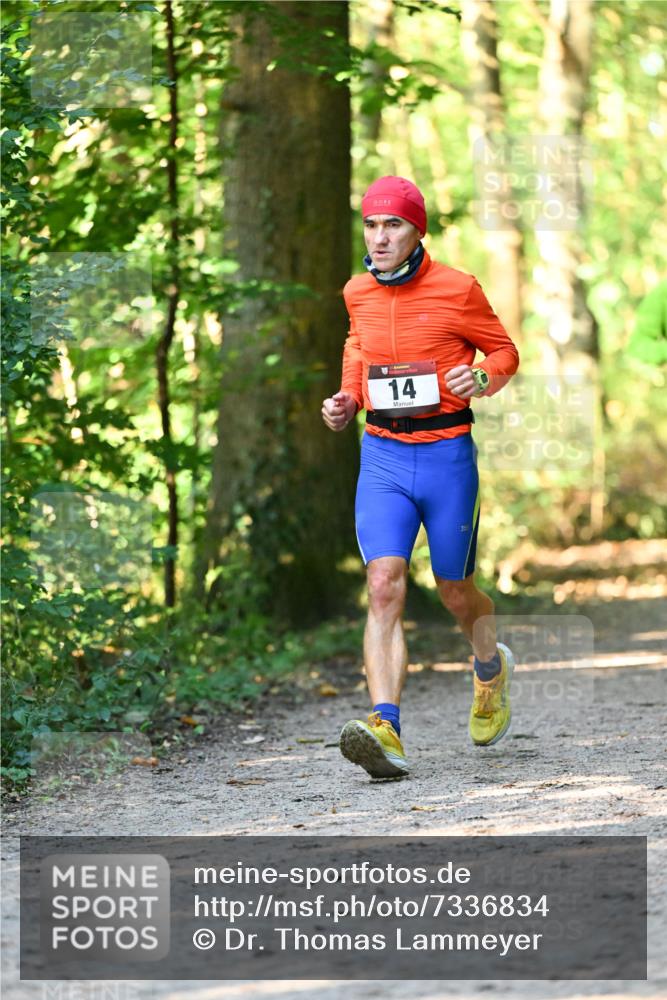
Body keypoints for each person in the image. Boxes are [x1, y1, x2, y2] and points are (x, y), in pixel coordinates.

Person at [321, 176, 520, 780]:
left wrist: (481, 379)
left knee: (456, 590)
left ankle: (489, 667)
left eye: (393, 225)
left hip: (446, 456)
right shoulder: (357, 291)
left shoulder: (458, 288)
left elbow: (504, 352)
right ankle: (387, 727)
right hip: (382, 455)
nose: (379, 237)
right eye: (371, 225)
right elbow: (359, 350)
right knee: (384, 583)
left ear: (417, 231)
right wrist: (347, 399)